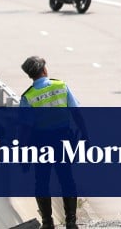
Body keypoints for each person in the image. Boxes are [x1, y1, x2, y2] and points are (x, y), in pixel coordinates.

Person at [19, 56, 80, 229]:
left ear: (30, 75)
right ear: (44, 70)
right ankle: (71, 221)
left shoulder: (28, 97)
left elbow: (25, 130)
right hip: (63, 142)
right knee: (67, 179)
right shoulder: (61, 86)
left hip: (41, 145)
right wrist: (86, 136)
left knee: (42, 182)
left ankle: (47, 223)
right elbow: (77, 113)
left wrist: (24, 155)